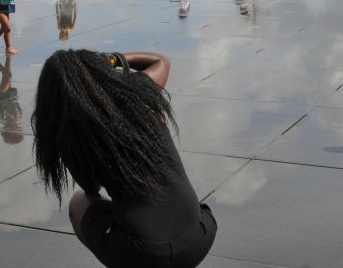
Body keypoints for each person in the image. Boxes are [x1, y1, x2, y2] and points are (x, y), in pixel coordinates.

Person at [32, 50, 217, 268]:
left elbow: (91, 188)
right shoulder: (138, 93)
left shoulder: (73, 135)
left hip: (146, 256)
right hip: (202, 232)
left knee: (79, 203)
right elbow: (161, 61)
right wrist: (109, 60)